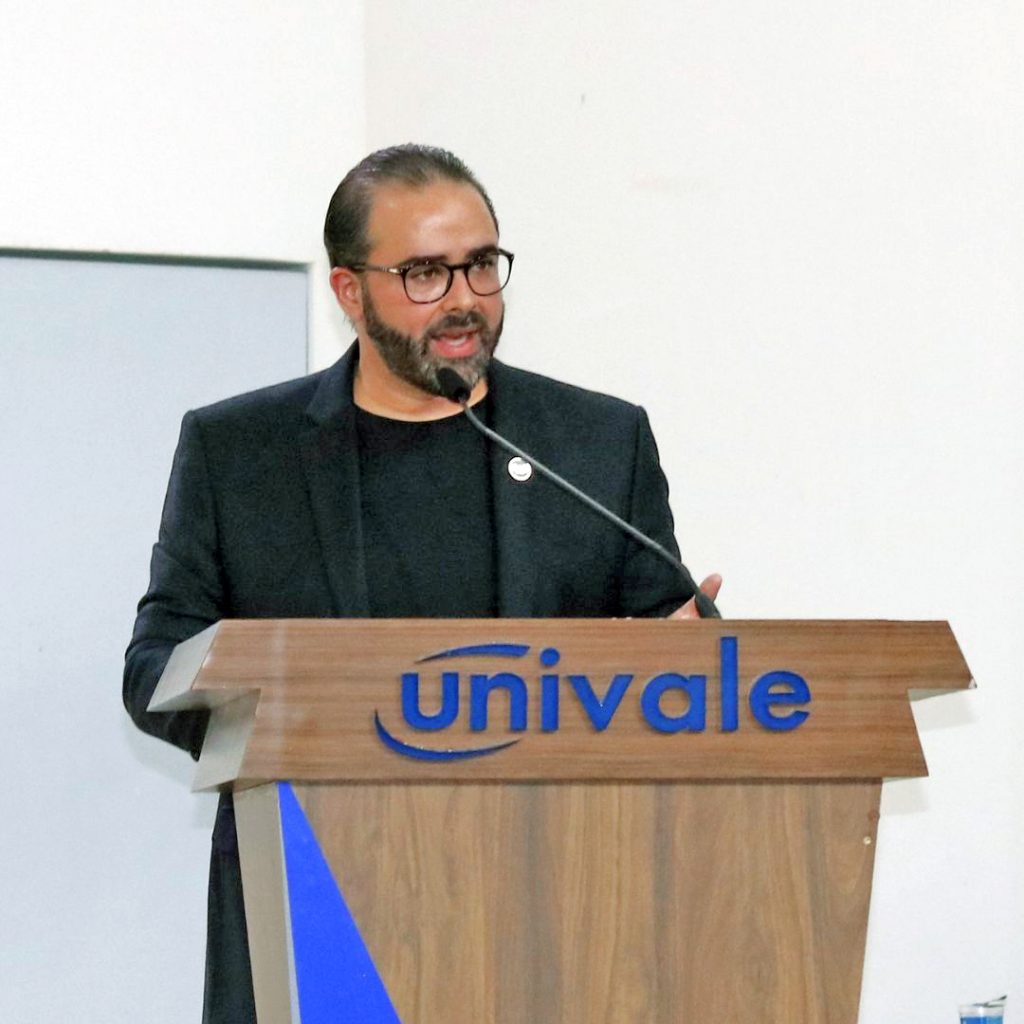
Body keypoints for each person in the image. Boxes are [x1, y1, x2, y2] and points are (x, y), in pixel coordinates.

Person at [124, 144, 721, 1023]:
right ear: (349, 291)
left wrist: (687, 662)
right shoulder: (241, 453)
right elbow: (154, 670)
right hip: (315, 899)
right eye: (425, 274)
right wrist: (286, 709)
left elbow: (665, 655)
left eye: (481, 265)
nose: (464, 299)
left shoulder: (595, 443)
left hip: (556, 906)